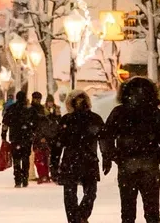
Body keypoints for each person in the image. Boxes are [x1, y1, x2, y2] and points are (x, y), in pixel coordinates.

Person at [102, 77, 160, 223]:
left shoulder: (119, 112)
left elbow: (106, 137)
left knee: (128, 210)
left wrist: (114, 156)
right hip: (150, 165)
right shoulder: (155, 113)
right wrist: (158, 157)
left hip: (127, 165)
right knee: (152, 209)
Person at [52, 91, 106, 223]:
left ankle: (75, 218)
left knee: (71, 195)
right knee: (90, 193)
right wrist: (106, 157)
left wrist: (54, 164)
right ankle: (81, 216)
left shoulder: (67, 120)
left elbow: (57, 145)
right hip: (89, 160)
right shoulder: (95, 119)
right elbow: (104, 140)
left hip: (72, 161)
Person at [1, 89, 37, 187]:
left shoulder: (11, 109)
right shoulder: (30, 110)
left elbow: (5, 123)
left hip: (15, 137)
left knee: (16, 158)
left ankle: (17, 179)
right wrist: (33, 133)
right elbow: (35, 124)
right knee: (25, 157)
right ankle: (25, 178)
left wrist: (3, 135)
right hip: (26, 137)